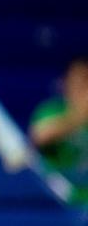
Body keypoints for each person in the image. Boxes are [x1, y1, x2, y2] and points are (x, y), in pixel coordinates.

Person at [29, 56, 88, 205]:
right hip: (61, 201)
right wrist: (79, 116)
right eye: (78, 82)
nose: (83, 89)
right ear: (65, 83)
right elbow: (38, 137)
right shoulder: (51, 111)